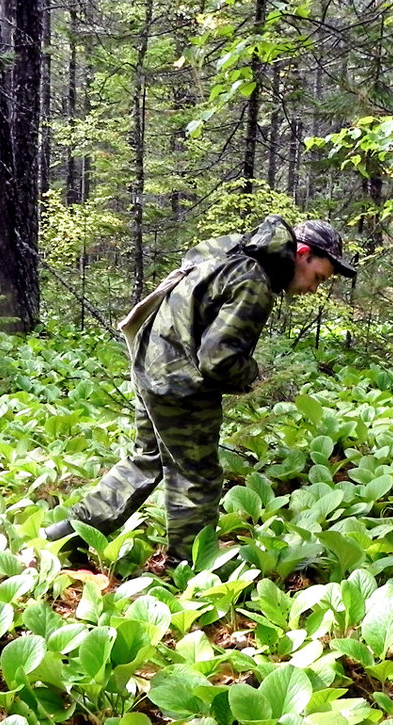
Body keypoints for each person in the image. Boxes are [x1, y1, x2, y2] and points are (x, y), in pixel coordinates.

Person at [40, 214, 354, 564]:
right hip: (180, 383)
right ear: (303, 253)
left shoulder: (232, 249)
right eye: (318, 277)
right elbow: (218, 360)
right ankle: (188, 569)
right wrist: (252, 374)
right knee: (197, 478)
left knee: (146, 460)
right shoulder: (255, 280)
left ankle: (60, 537)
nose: (314, 288)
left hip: (150, 362)